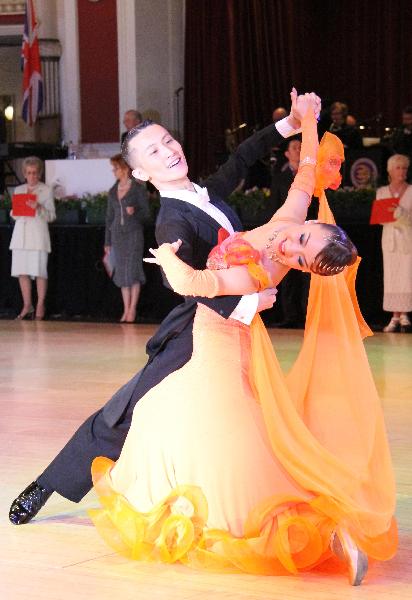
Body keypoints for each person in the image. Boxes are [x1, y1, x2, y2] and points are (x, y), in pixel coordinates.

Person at [88, 96, 396, 585]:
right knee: (195, 432)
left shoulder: (263, 267)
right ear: (315, 221)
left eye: (301, 253)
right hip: (222, 345)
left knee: (236, 458)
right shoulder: (289, 219)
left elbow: (197, 286)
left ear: (303, 267)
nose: (292, 243)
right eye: (305, 236)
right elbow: (306, 168)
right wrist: (306, 122)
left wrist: (171, 264)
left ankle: (325, 533)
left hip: (220, 350)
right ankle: (327, 529)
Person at [9, 88, 309, 526]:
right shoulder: (173, 219)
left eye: (168, 140)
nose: (169, 150)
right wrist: (247, 301)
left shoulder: (204, 191)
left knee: (242, 415)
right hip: (195, 334)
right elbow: (184, 283)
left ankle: (243, 504)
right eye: (154, 150)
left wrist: (290, 125)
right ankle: (48, 484)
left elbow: (243, 156)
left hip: (233, 331)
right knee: (126, 410)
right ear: (141, 172)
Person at [105, 154, 150, 322]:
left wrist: (135, 212)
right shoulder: (112, 191)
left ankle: (132, 309)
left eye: (116, 168)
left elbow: (147, 215)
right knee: (122, 273)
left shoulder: (138, 189)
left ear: (124, 169)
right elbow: (109, 219)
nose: (114, 172)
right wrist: (107, 241)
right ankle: (125, 309)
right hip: (117, 235)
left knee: (133, 270)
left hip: (134, 234)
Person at [9, 156, 56, 320]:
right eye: (29, 173)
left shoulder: (46, 190)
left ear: (40, 174)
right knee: (22, 272)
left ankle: (41, 304)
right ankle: (27, 305)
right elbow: (14, 215)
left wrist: (39, 207)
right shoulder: (19, 190)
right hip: (20, 236)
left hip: (38, 236)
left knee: (39, 272)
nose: (32, 176)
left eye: (35, 173)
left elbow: (51, 216)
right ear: (24, 174)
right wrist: (15, 210)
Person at [377, 154, 412, 332]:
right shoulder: (382, 192)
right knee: (391, 277)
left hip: (407, 239)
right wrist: (392, 215)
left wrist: (400, 213)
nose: (402, 171)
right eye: (398, 168)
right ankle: (394, 316)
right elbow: (381, 217)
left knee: (406, 277)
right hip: (389, 241)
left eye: (404, 168)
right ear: (390, 171)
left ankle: (404, 315)